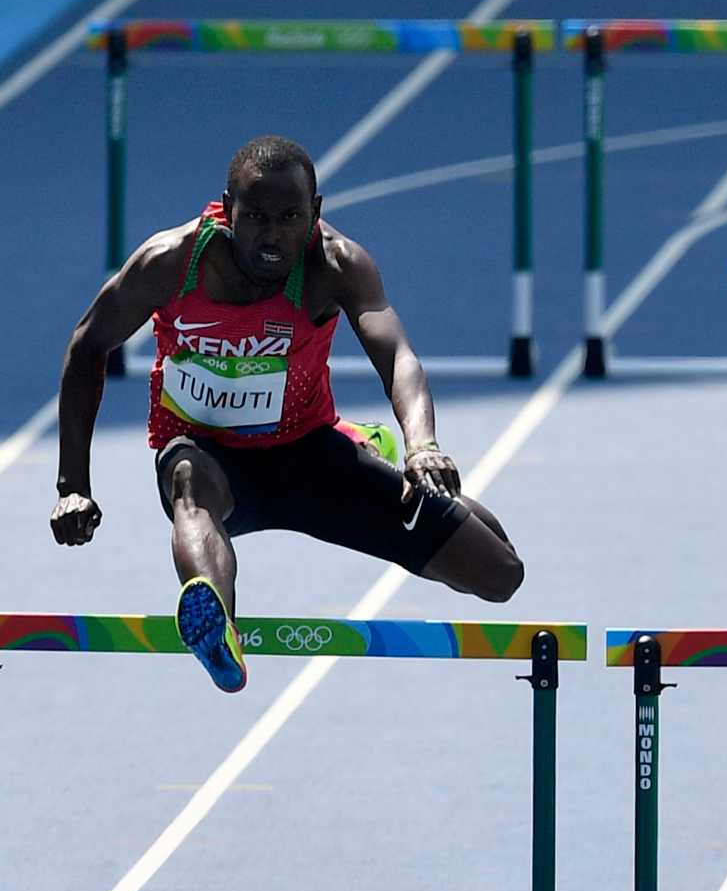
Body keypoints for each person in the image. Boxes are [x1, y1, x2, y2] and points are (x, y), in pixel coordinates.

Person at [50, 135, 525, 693]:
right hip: (206, 456)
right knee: (187, 483)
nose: (272, 235)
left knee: (499, 574)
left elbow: (396, 354)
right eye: (255, 217)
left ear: (315, 213)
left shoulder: (335, 266)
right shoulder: (172, 262)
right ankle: (216, 628)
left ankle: (395, 470)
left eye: (289, 217)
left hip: (309, 455)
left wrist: (421, 445)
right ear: (227, 211)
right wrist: (72, 484)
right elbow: (87, 345)